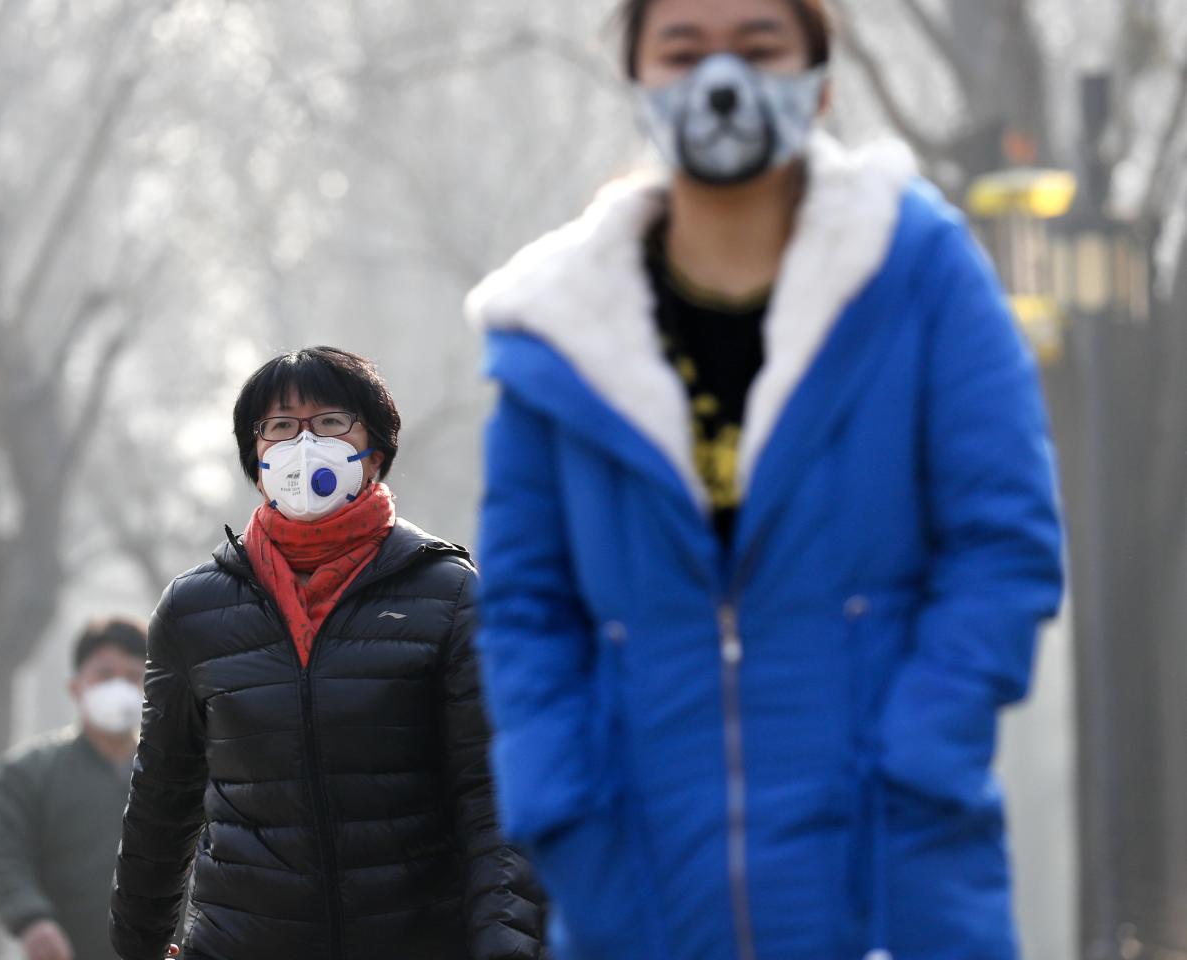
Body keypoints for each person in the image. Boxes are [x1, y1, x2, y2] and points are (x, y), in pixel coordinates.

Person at [466, 1, 1065, 958]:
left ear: (821, 79)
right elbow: (528, 609)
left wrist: (919, 760)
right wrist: (563, 813)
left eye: (758, 46)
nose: (721, 80)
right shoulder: (558, 334)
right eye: (683, 49)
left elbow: (1005, 544)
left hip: (898, 888)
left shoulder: (920, 277)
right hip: (642, 899)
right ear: (634, 77)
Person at [109, 347, 545, 960]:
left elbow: (494, 801)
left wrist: (509, 947)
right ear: (255, 457)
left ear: (377, 448)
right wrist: (137, 948)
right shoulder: (193, 610)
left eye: (331, 422)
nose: (304, 443)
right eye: (281, 427)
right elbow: (161, 803)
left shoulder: (447, 595)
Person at [0, 617, 150, 960]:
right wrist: (32, 920)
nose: (120, 687)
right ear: (76, 686)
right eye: (104, 675)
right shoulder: (29, 772)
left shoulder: (182, 777)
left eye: (133, 677)